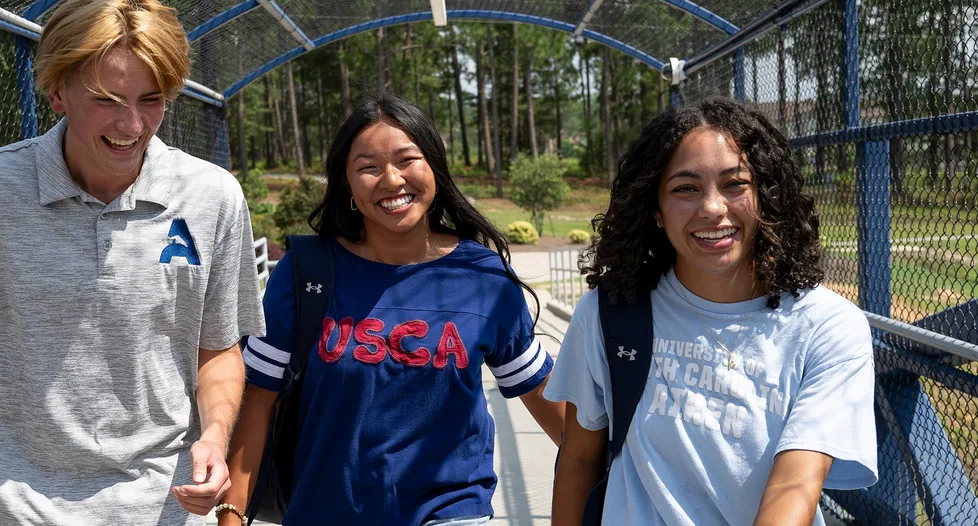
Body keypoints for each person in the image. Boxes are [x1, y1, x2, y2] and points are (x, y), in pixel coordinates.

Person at [0, 0, 263, 526]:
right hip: (29, 512)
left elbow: (217, 347)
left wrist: (212, 435)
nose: (131, 126)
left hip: (169, 510)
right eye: (106, 100)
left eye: (151, 99)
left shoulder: (212, 197)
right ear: (57, 91)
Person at [214, 95, 565, 526]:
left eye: (407, 159)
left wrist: (615, 477)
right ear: (346, 185)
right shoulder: (305, 273)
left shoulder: (485, 278)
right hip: (324, 511)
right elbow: (258, 399)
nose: (392, 180)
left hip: (450, 510)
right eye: (368, 167)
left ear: (434, 167)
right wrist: (231, 515)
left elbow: (541, 394)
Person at [546, 97, 876, 526]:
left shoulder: (827, 327)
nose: (713, 208)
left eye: (735, 183)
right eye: (685, 188)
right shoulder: (609, 314)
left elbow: (796, 486)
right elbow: (578, 459)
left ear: (766, 197)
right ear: (655, 210)